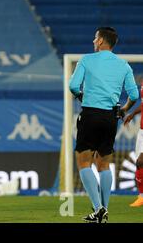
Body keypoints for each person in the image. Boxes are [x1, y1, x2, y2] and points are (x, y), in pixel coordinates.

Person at [69, 27, 139, 222]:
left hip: (91, 114)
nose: (93, 41)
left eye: (95, 38)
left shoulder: (87, 60)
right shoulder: (123, 65)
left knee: (84, 162)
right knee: (104, 165)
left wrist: (81, 95)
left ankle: (99, 208)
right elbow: (134, 96)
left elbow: (73, 86)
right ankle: (104, 210)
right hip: (111, 117)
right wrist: (124, 109)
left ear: (100, 41)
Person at [123, 83, 143, 207]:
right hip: (142, 129)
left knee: (141, 161)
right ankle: (141, 196)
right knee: (138, 163)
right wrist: (132, 114)